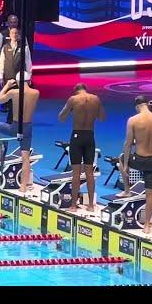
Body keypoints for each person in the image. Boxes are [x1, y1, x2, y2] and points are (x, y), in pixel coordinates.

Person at [119, 95, 152, 235]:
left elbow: (127, 144)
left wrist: (126, 164)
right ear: (147, 104)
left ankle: (127, 190)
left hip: (138, 159)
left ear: (137, 107)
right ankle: (147, 225)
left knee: (121, 158)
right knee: (149, 194)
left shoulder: (133, 120)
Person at [58, 83, 106, 212]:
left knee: (76, 173)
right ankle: (91, 205)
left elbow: (61, 117)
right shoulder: (96, 99)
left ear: (76, 91)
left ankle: (73, 205)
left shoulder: (73, 99)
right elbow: (102, 118)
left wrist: (72, 110)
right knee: (90, 173)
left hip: (77, 136)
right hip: (90, 136)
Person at [0, 72, 40, 194]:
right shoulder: (36, 93)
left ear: (17, 82)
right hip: (27, 128)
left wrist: (7, 85)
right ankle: (23, 186)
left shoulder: (14, 92)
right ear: (29, 80)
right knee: (25, 158)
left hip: (15, 127)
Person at [0, 25, 33, 123]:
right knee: (9, 99)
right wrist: (1, 76)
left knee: (18, 100)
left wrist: (29, 76)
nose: (14, 35)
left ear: (18, 35)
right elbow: (2, 62)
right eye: (12, 33)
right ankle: (10, 119)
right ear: (9, 35)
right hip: (8, 77)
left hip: (19, 78)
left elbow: (28, 62)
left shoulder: (24, 47)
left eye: (16, 33)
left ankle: (16, 119)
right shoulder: (5, 47)